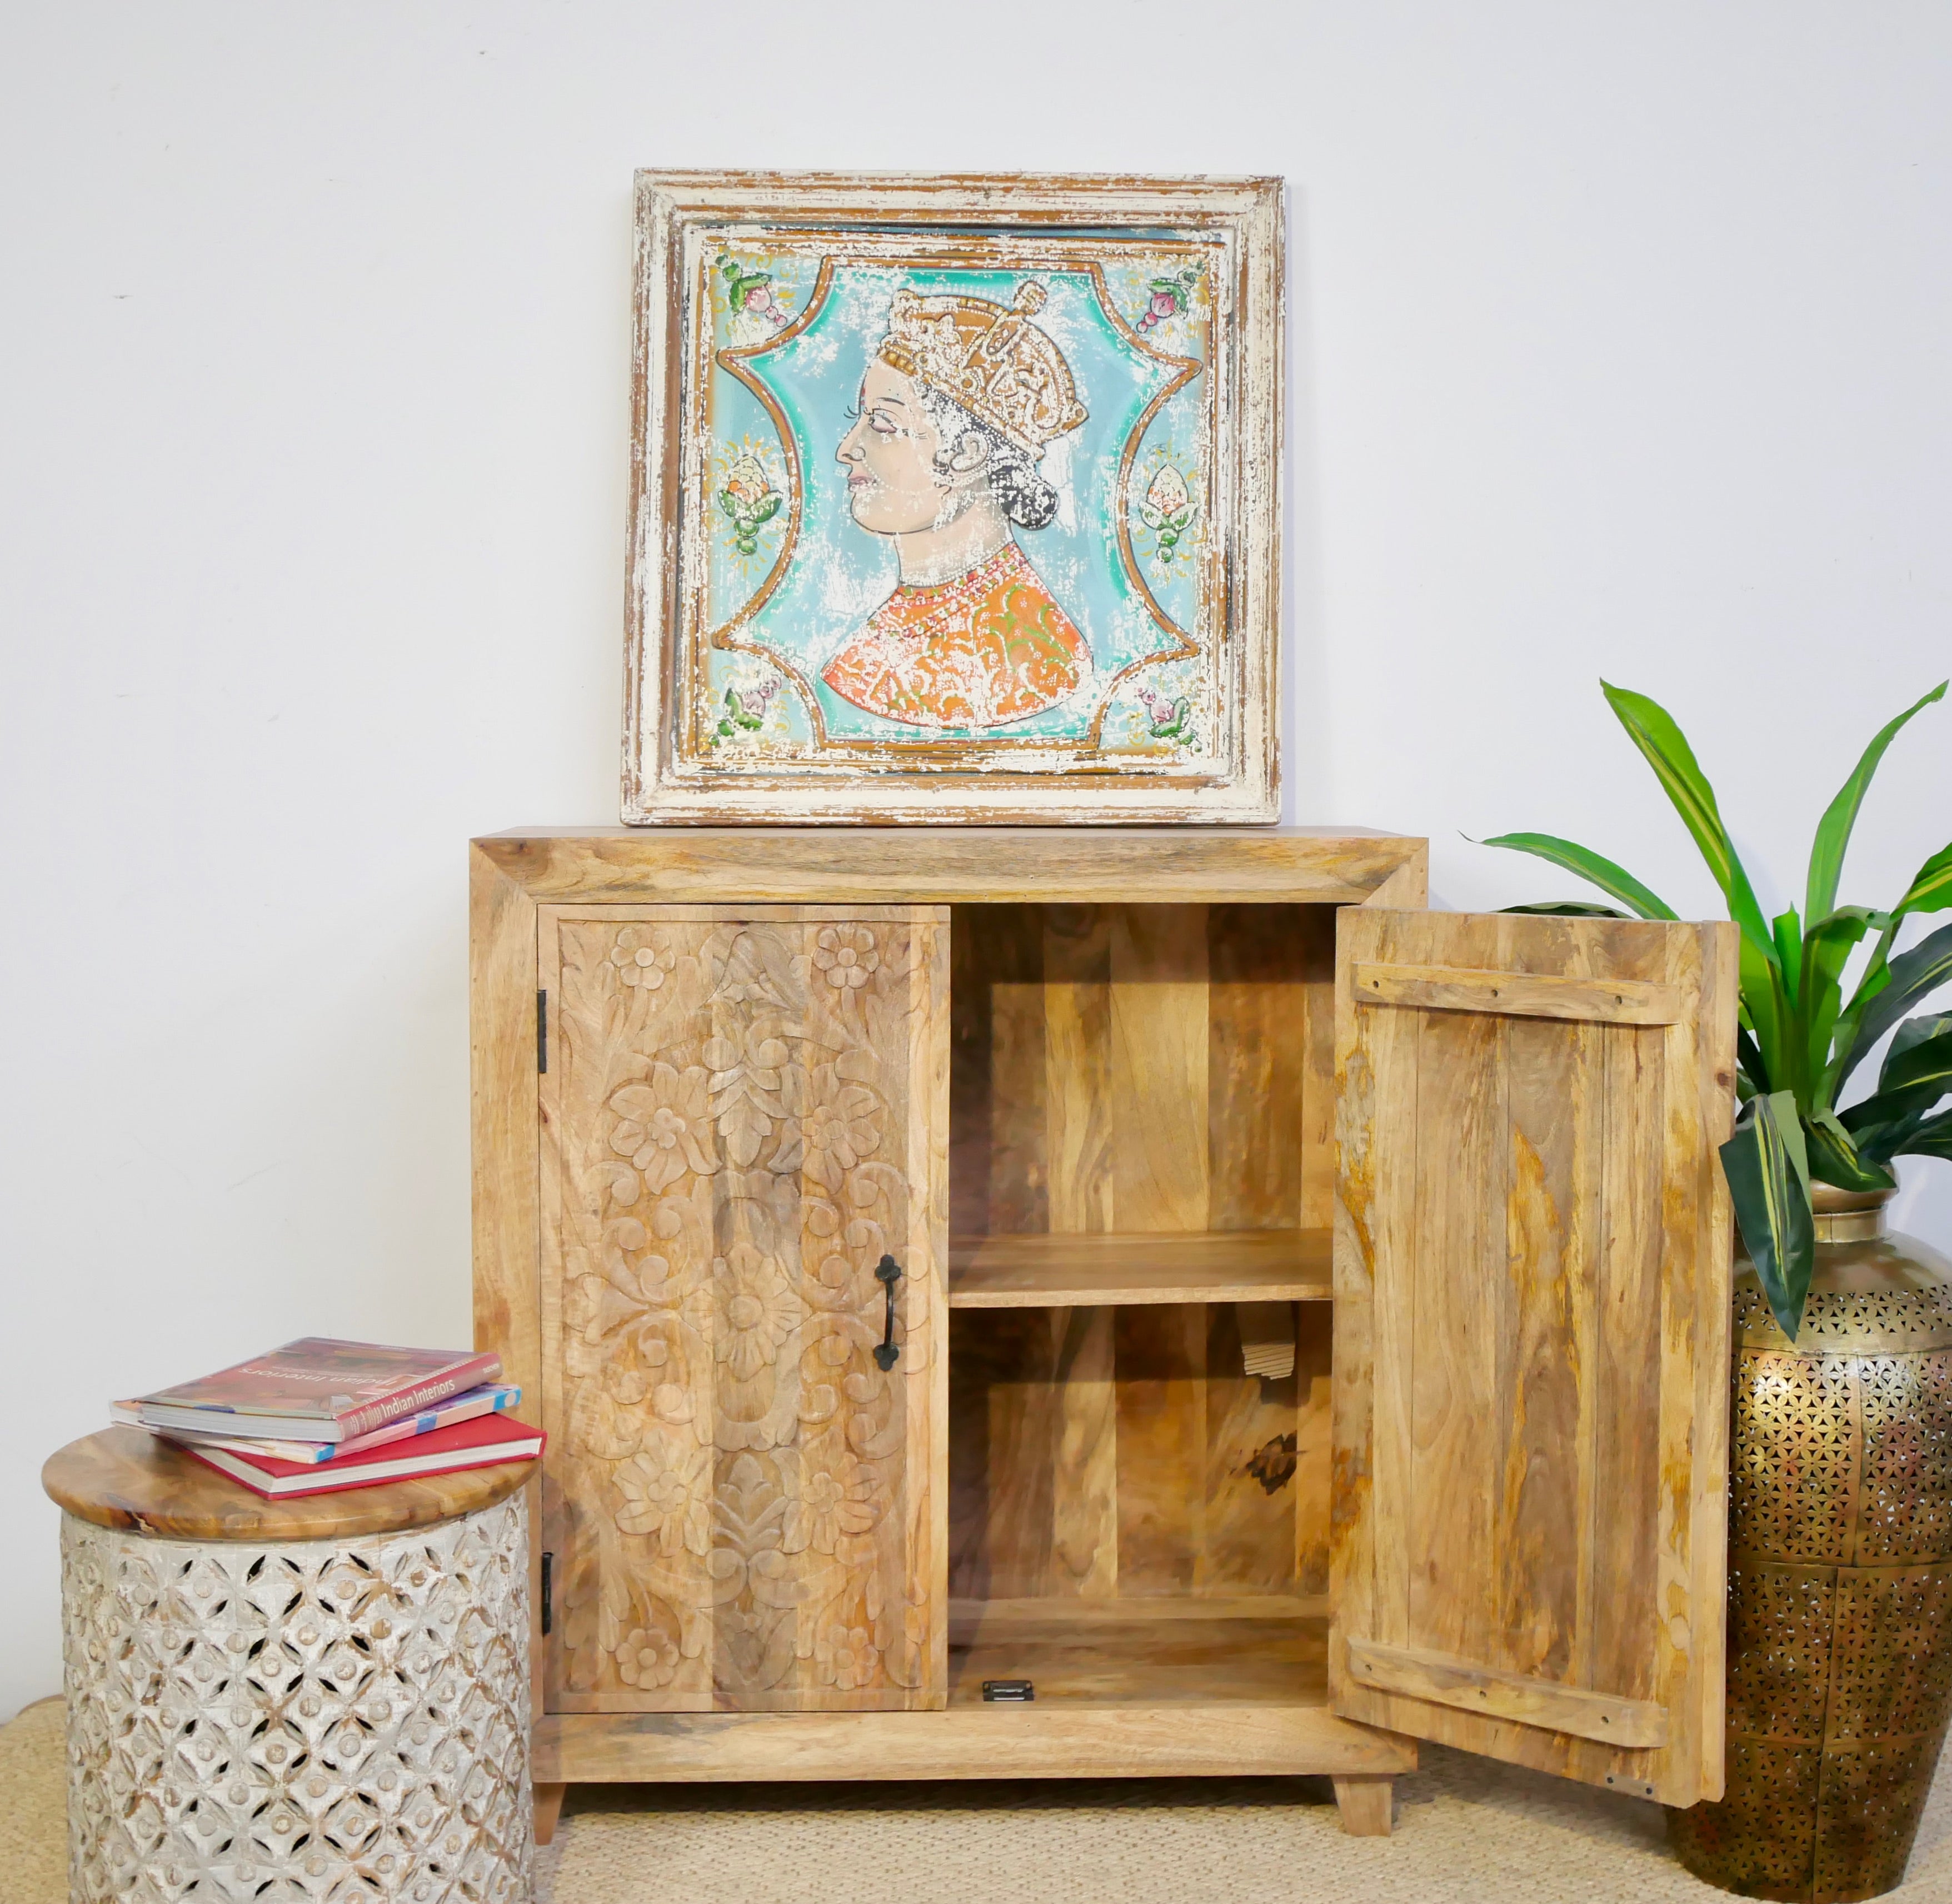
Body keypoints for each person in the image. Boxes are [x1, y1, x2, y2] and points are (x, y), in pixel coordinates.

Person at [821, 282, 1092, 730]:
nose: (847, 449)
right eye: (859, 422)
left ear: (967, 455)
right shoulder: (889, 627)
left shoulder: (1040, 655)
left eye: (882, 425)